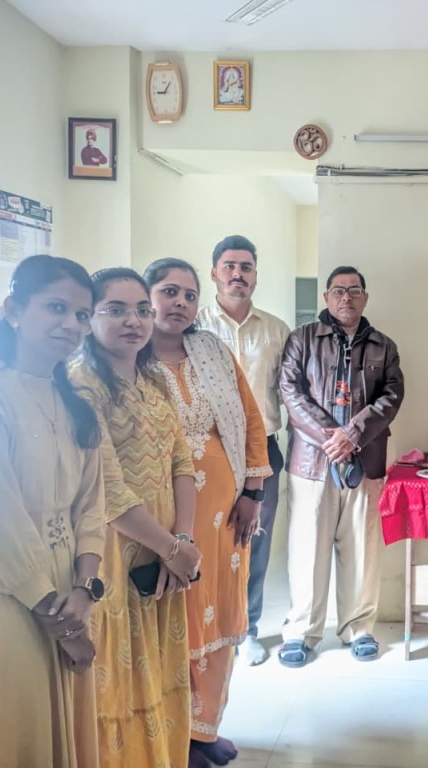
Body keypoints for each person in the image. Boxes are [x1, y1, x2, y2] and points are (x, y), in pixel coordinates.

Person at [0, 255, 104, 768]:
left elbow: (91, 505)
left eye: (81, 314)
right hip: (7, 590)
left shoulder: (75, 403)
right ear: (14, 310)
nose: (71, 324)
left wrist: (85, 587)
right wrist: (63, 623)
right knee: (16, 729)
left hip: (70, 589)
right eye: (56, 308)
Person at [71, 268, 201, 768]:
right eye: (117, 310)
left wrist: (182, 541)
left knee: (163, 670)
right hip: (112, 554)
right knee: (119, 682)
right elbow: (106, 487)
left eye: (142, 310)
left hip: (167, 554)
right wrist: (171, 548)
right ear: (90, 318)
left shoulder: (155, 380)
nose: (134, 321)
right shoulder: (82, 386)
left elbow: (182, 462)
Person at [145, 258, 272, 767]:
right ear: (146, 298)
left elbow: (251, 420)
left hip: (226, 512)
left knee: (220, 610)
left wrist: (253, 492)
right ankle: (173, 733)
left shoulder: (213, 351)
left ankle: (205, 728)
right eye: (168, 291)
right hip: (163, 516)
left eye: (189, 295)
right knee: (178, 614)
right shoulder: (129, 360)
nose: (180, 303)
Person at [277, 266, 404, 667]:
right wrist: (332, 437)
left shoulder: (384, 346)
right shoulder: (301, 339)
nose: (346, 297)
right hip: (311, 463)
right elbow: (290, 391)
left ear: (365, 297)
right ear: (326, 297)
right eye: (337, 290)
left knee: (362, 549)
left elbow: (392, 396)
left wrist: (353, 434)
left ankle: (359, 628)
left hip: (365, 461)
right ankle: (301, 632)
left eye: (354, 290)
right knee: (307, 550)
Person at [198, 234, 291, 666]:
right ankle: (208, 628)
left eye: (246, 267)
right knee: (208, 539)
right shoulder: (196, 328)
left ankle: (247, 629)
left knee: (253, 541)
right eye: (230, 266)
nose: (238, 274)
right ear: (214, 272)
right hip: (208, 451)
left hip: (263, 452)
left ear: (255, 275)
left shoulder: (276, 330)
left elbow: (289, 391)